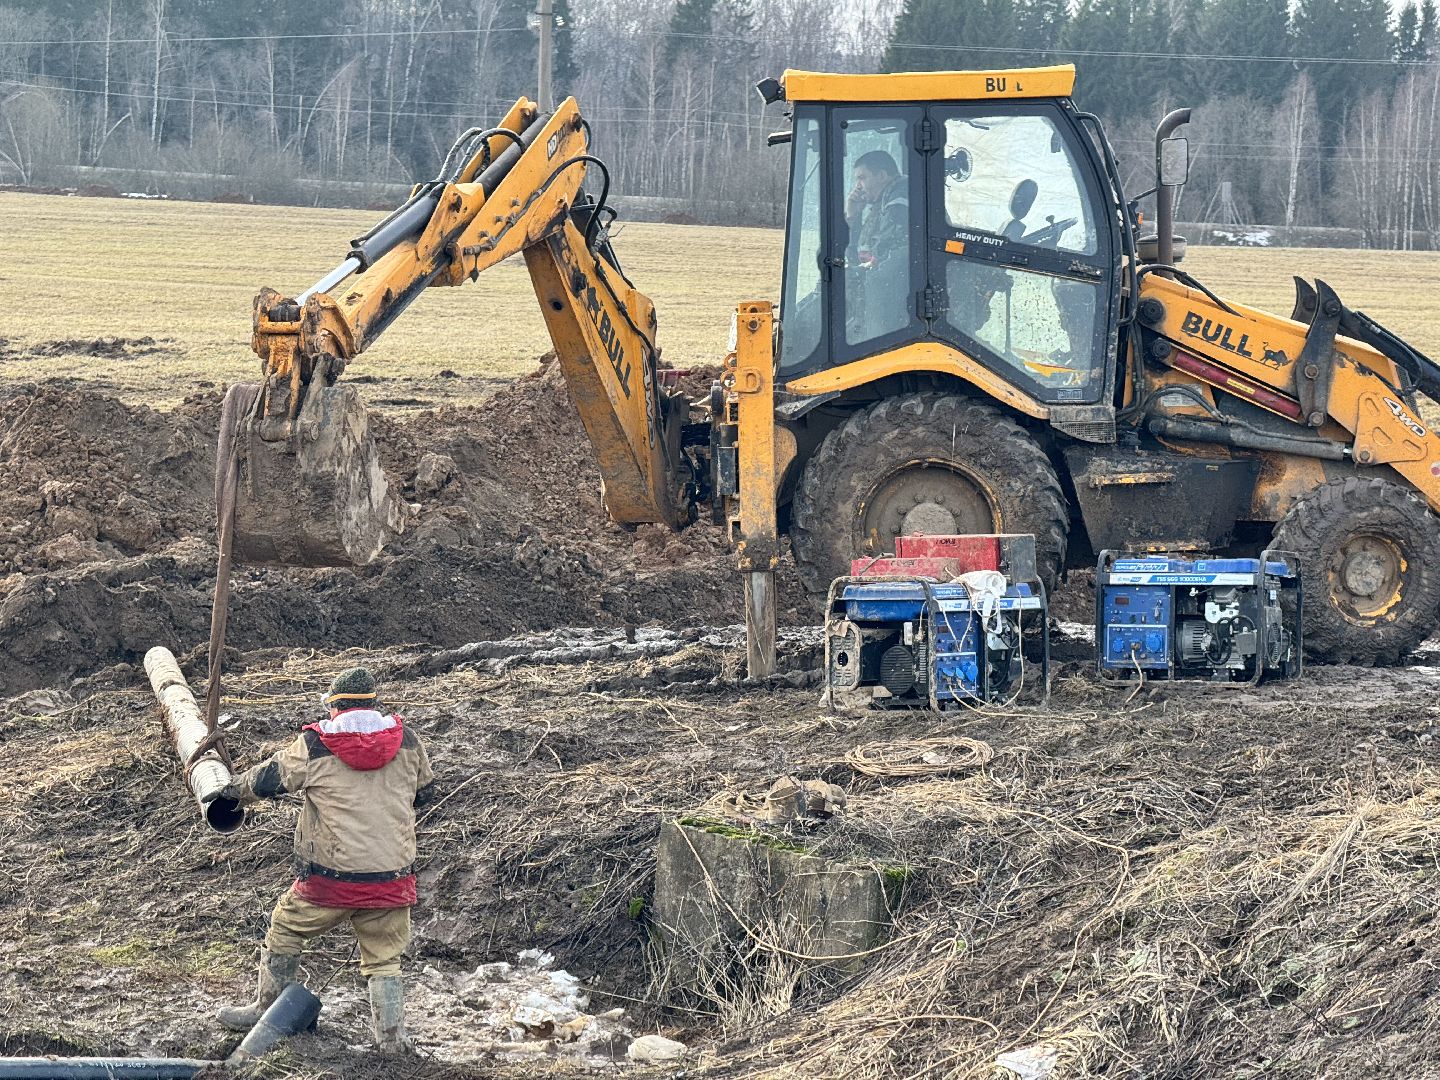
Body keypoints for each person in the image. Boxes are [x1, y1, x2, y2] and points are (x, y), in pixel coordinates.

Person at [209, 666, 435, 1053]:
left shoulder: (317, 744)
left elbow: (265, 781)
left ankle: (267, 1010)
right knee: (384, 961)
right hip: (392, 876)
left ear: (334, 707)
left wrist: (227, 793)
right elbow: (425, 794)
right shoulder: (408, 741)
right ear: (374, 703)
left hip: (332, 877)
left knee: (285, 928)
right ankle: (391, 1042)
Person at [844, 149, 910, 341]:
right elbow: (857, 255)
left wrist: (854, 272)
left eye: (862, 178)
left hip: (894, 299)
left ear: (882, 176)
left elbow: (879, 257)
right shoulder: (886, 202)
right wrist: (853, 214)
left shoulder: (899, 204)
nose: (858, 186)